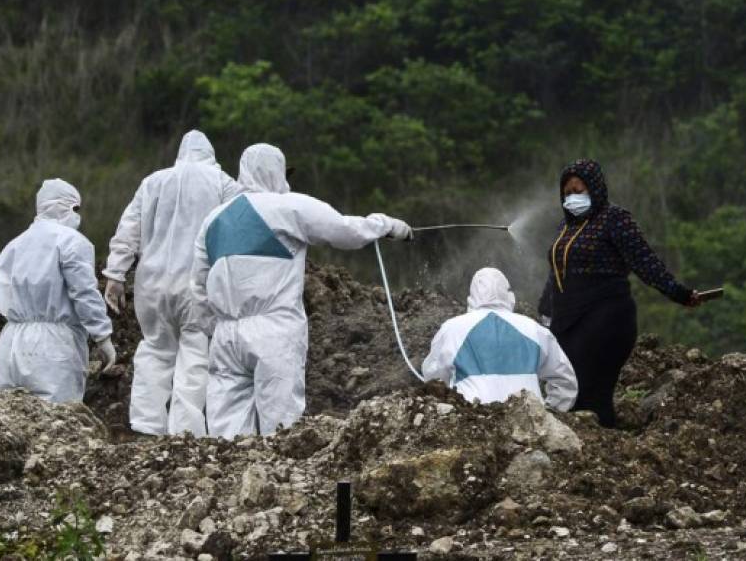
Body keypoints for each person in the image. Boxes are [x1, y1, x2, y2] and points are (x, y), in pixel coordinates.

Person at [191, 143, 413, 439]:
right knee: (280, 430)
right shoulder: (289, 206)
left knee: (226, 435)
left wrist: (215, 328)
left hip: (225, 336)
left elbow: (198, 286)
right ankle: (274, 484)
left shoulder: (213, 219)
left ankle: (230, 483)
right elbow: (345, 231)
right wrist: (386, 225)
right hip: (274, 330)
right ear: (277, 172)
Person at [538, 159, 700, 427]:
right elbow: (557, 272)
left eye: (579, 191)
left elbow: (646, 262)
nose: (572, 198)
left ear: (595, 188)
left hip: (605, 318)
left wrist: (679, 293)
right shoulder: (565, 227)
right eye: (567, 193)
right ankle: (589, 450)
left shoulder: (615, 219)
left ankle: (604, 451)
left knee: (589, 392)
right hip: (569, 320)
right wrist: (545, 310)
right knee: (568, 389)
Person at [103, 130, 243, 437]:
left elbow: (129, 228)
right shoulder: (224, 184)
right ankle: (185, 432)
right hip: (197, 284)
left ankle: (145, 425)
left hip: (150, 285)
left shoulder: (153, 181)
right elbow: (238, 228)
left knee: (155, 349)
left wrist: (115, 274)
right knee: (194, 353)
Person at [0, 179, 115, 403]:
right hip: (54, 345)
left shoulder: (13, 245)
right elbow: (84, 292)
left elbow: (1, 296)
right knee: (56, 422)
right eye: (75, 208)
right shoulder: (72, 242)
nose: (78, 215)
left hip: (11, 341)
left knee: (5, 421)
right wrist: (102, 335)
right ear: (63, 206)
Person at [422, 268, 577, 411]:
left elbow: (434, 379)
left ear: (471, 297)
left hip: (471, 422)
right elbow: (565, 382)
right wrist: (548, 415)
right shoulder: (535, 330)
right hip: (528, 423)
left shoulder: (452, 329)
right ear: (509, 295)